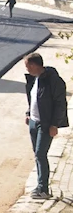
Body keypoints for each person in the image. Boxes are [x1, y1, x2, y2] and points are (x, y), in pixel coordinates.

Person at [24, 52, 68, 200]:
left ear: (34, 65)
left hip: (46, 124)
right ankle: (39, 185)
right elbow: (33, 97)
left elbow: (60, 104)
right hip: (33, 122)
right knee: (37, 155)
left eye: (28, 66)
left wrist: (55, 124)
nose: (27, 69)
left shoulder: (53, 81)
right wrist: (28, 113)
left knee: (41, 154)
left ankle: (43, 189)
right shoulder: (34, 79)